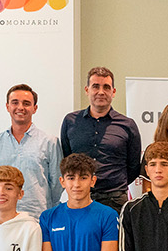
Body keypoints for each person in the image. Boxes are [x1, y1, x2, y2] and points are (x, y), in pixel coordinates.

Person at [60, 67, 142, 213]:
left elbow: (134, 166)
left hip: (114, 199)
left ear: (113, 92)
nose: (101, 92)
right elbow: (67, 159)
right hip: (79, 198)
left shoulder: (127, 125)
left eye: (106, 87)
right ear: (87, 90)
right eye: (95, 86)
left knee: (113, 237)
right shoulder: (70, 121)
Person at [0, 84, 61, 219]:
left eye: (26, 103)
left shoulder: (49, 142)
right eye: (15, 102)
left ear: (35, 108)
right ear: (7, 107)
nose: (20, 107)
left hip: (38, 217)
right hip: (3, 217)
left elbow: (56, 185)